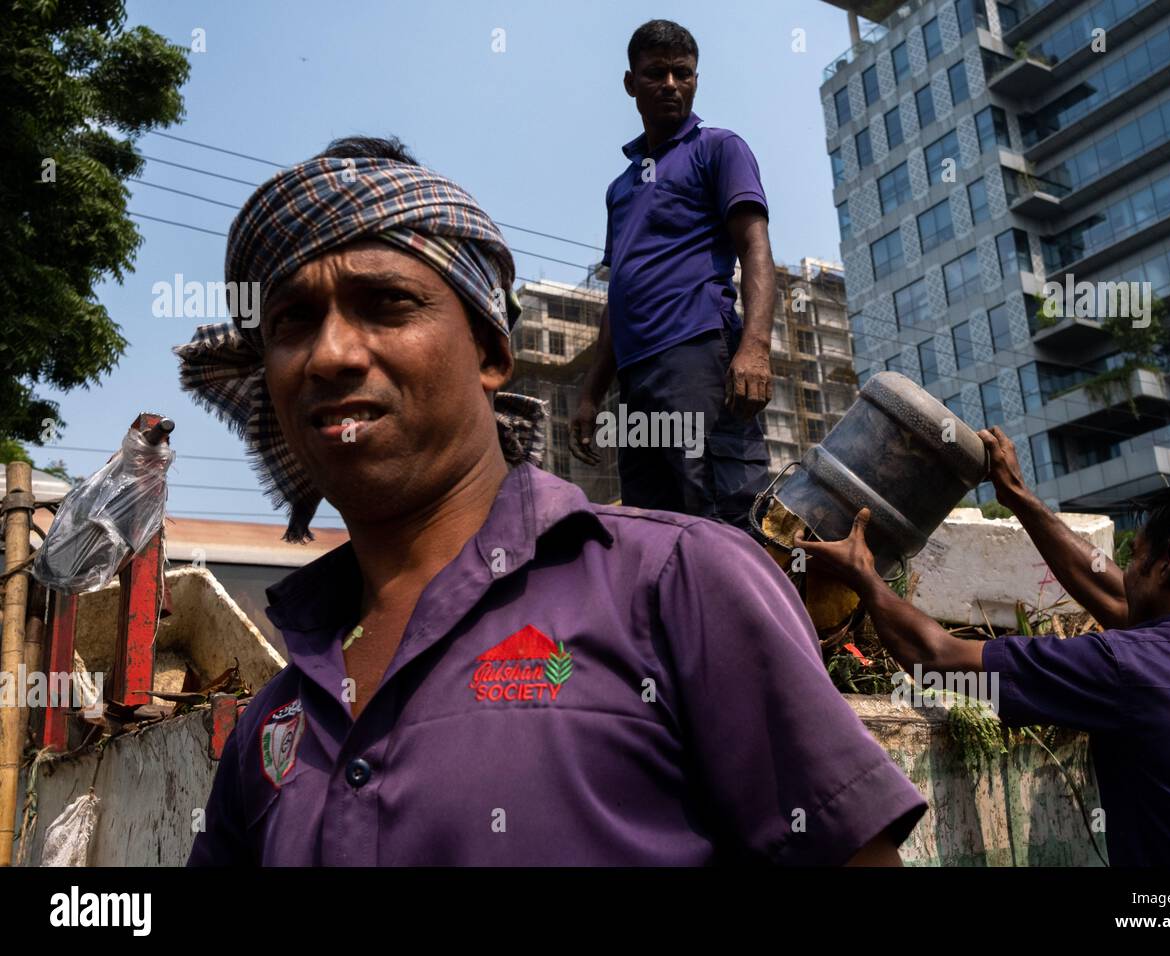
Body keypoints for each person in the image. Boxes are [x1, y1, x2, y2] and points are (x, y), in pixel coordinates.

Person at [178, 136, 926, 866]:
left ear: (492, 353)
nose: (331, 353)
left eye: (386, 304)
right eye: (291, 323)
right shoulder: (277, 715)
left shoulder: (680, 584)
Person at [797, 426, 1170, 866]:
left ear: (1169, 563)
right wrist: (1016, 494)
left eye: (1136, 555)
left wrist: (863, 573)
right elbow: (1118, 599)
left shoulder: (1129, 666)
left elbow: (939, 660)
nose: (1124, 571)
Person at [570, 19, 775, 530]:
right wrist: (592, 394)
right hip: (638, 377)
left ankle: (740, 610)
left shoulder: (718, 148)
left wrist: (755, 347)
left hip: (697, 354)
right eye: (656, 73)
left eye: (682, 73)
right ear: (630, 83)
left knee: (713, 512)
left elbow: (755, 247)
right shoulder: (621, 187)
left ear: (696, 80)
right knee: (652, 520)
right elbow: (620, 293)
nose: (670, 85)